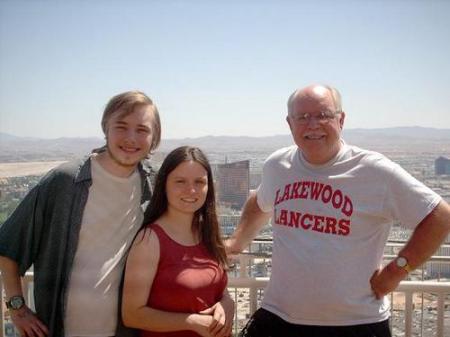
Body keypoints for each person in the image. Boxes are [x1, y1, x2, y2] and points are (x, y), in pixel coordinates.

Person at [226, 84, 450, 337]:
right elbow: (260, 202)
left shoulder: (374, 171)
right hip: (279, 318)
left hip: (354, 323)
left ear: (340, 119)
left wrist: (396, 271)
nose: (312, 124)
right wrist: (237, 242)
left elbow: (440, 216)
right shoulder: (278, 165)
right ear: (290, 124)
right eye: (302, 117)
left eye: (323, 115)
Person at [0, 91, 162, 337]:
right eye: (121, 126)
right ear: (105, 128)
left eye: (142, 130)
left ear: (154, 138)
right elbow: (9, 244)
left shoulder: (154, 186)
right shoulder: (65, 181)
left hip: (125, 331)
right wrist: (17, 307)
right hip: (59, 329)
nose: (131, 138)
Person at [122, 146, 234, 337]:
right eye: (180, 181)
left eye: (199, 182)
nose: (191, 190)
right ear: (164, 185)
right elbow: (132, 314)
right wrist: (192, 322)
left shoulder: (207, 233)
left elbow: (217, 290)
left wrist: (227, 304)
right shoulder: (149, 240)